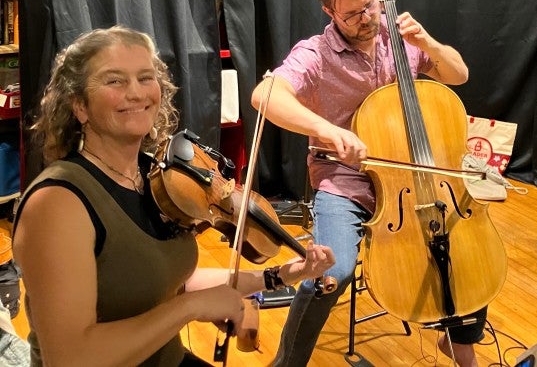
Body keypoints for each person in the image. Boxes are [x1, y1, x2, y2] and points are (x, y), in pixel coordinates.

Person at [11, 26, 335, 366]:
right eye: (115, 81)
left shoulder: (150, 174)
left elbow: (167, 278)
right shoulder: (57, 203)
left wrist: (279, 275)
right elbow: (70, 358)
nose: (136, 93)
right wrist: (189, 309)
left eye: (146, 78)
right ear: (79, 107)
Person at [251, 0, 487, 366]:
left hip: (417, 176)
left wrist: (427, 43)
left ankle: (460, 348)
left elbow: (459, 74)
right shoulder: (316, 54)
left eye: (371, 6)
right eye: (353, 14)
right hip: (346, 180)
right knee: (330, 274)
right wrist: (330, 131)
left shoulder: (400, 40)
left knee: (464, 244)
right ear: (329, 11)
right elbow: (265, 95)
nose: (367, 18)